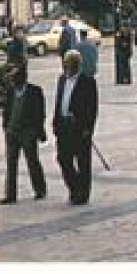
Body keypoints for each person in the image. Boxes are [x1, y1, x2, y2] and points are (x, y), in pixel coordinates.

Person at [52, 48, 99, 205]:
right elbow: (59, 101)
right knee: (63, 159)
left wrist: (88, 129)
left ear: (77, 64)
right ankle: (74, 187)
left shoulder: (88, 82)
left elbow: (92, 108)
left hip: (79, 127)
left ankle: (83, 193)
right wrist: (55, 122)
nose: (66, 66)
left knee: (83, 161)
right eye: (65, 63)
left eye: (70, 63)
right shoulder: (61, 80)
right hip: (63, 125)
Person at [0, 65, 48, 204]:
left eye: (15, 78)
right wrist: (6, 127)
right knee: (11, 164)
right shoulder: (10, 92)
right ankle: (10, 194)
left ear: (23, 78)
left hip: (28, 132)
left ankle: (40, 189)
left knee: (32, 161)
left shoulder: (35, 91)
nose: (13, 81)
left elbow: (40, 113)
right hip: (12, 131)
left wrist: (38, 130)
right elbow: (7, 110)